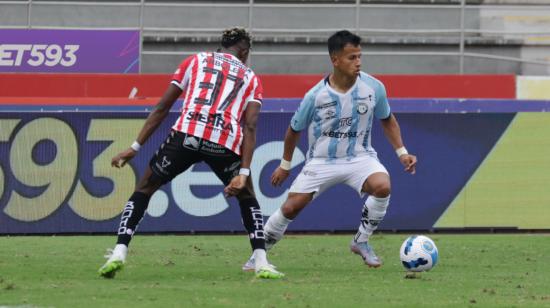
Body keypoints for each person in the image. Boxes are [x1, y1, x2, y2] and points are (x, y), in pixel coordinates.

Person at [98, 27, 284, 279]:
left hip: (187, 135)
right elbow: (250, 125)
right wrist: (243, 172)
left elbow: (163, 106)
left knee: (145, 188)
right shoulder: (251, 77)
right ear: (244, 51)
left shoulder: (195, 61)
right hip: (223, 141)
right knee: (247, 196)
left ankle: (119, 251)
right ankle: (261, 261)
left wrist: (134, 147)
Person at [243, 30, 417, 270]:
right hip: (322, 161)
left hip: (360, 157)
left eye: (359, 56)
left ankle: (361, 241)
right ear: (335, 60)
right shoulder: (315, 96)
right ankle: (259, 255)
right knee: (290, 208)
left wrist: (402, 152)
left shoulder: (374, 87)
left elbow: (387, 119)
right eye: (351, 58)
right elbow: (294, 130)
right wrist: (285, 166)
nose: (358, 63)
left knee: (383, 186)